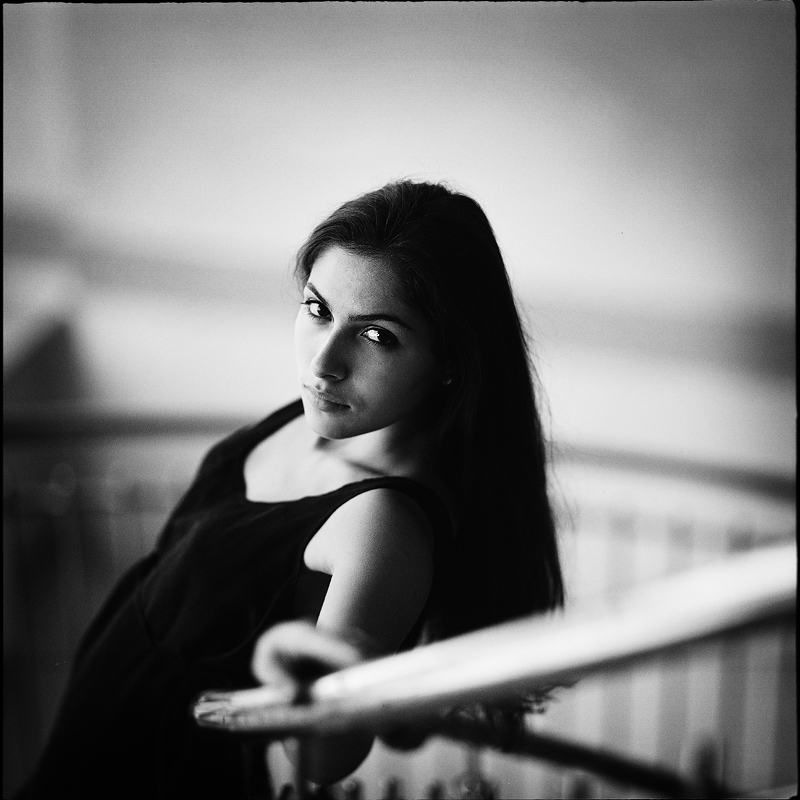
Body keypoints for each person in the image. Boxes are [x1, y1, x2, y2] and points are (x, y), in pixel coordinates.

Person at [15, 180, 564, 799]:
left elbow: (327, 756)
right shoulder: (321, 418)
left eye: (377, 335)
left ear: (451, 362)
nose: (323, 363)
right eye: (317, 309)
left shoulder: (382, 524)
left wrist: (290, 660)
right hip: (94, 734)